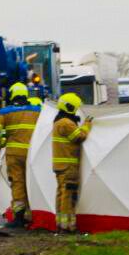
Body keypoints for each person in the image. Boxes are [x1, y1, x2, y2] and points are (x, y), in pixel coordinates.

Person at [0, 82, 42, 226]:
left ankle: (19, 216)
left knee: (18, 183)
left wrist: (0, 142)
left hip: (14, 154)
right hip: (32, 154)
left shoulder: (6, 112)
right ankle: (35, 214)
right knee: (32, 183)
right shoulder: (38, 110)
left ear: (12, 95)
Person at [51, 93, 93, 233]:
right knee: (68, 196)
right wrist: (87, 125)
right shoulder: (66, 123)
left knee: (61, 194)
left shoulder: (58, 121)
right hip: (68, 166)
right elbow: (79, 137)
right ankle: (68, 226)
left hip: (60, 166)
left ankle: (60, 224)